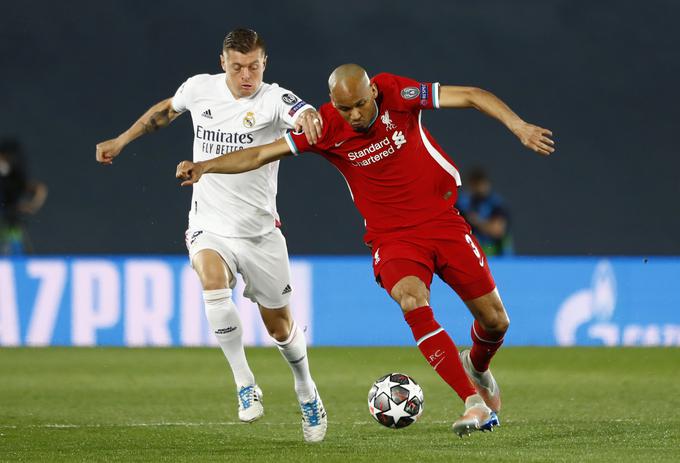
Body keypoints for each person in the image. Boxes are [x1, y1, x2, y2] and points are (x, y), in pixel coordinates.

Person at [176, 64, 555, 436]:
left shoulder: (399, 93)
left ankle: (475, 364)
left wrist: (518, 126)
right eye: (345, 108)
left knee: (495, 322)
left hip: (443, 222)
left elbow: (471, 95)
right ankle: (472, 401)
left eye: (360, 104)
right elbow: (259, 154)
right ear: (331, 103)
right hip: (392, 238)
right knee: (412, 299)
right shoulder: (324, 127)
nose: (354, 115)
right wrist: (205, 166)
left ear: (373, 90)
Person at [95, 29, 327, 443]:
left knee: (280, 329)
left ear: (264, 64)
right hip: (209, 223)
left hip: (259, 231)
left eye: (254, 66)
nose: (246, 75)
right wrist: (122, 139)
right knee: (212, 284)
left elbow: (304, 111)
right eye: (237, 66)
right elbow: (164, 112)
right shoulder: (200, 89)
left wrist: (311, 116)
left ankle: (306, 389)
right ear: (223, 63)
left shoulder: (273, 98)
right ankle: (245, 384)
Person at [0, 138, 48, 255]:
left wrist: (31, 205)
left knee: (15, 253)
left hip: (11, 223)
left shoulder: (15, 177)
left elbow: (40, 189)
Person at [456, 167, 513, 256]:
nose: (480, 188)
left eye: (482, 184)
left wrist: (476, 221)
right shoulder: (462, 203)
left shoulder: (496, 203)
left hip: (496, 253)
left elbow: (497, 230)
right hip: (471, 253)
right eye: (476, 184)